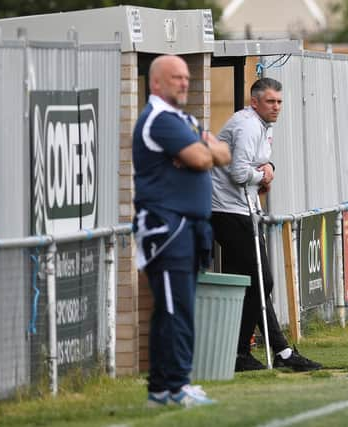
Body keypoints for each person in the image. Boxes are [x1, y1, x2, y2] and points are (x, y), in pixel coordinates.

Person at [132, 55, 230, 407]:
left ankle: (161, 389)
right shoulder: (160, 119)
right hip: (167, 229)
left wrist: (201, 147)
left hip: (190, 228)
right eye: (176, 77)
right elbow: (205, 159)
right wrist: (202, 150)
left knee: (172, 309)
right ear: (156, 82)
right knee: (177, 310)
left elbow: (223, 152)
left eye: (187, 77)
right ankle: (176, 386)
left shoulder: (183, 119)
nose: (185, 83)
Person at [210, 77, 322, 372]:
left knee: (247, 283)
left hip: (244, 209)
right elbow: (238, 173)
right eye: (271, 102)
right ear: (255, 102)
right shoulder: (247, 125)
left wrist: (269, 168)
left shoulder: (262, 126)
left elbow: (260, 163)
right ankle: (281, 350)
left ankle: (238, 353)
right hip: (229, 211)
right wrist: (264, 176)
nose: (276, 107)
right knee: (263, 281)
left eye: (279, 102)